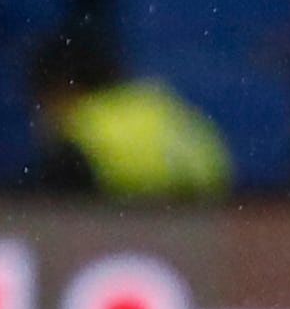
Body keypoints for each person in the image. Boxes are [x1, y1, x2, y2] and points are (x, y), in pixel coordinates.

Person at [28, 27, 230, 199]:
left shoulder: (80, 133)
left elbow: (63, 218)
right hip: (202, 230)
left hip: (126, 234)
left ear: (63, 90)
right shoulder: (161, 104)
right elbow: (217, 171)